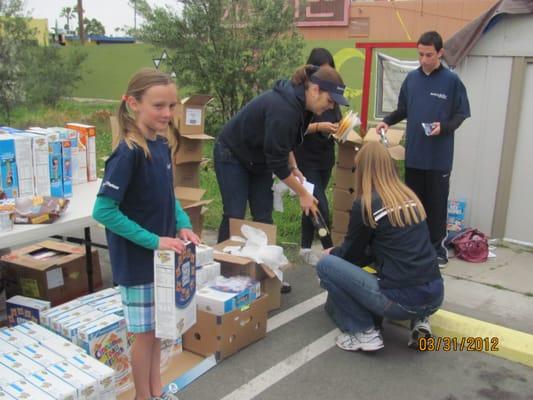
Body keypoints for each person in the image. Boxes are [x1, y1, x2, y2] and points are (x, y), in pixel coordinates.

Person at [92, 68, 200, 400]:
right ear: (133, 103)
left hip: (162, 259)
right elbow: (104, 212)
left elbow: (169, 196)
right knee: (144, 335)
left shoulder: (162, 145)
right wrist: (154, 241)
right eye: (158, 106)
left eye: (171, 106)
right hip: (138, 262)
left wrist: (182, 222)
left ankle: (155, 391)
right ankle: (143, 396)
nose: (167, 114)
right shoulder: (128, 152)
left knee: (158, 332)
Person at [214, 64, 349, 292]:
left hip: (259, 158)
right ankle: (223, 274)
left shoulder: (304, 106)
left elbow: (284, 143)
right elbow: (276, 161)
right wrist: (303, 193)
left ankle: (269, 273)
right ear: (315, 89)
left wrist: (294, 166)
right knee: (234, 214)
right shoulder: (284, 108)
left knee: (263, 215)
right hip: (233, 154)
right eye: (330, 99)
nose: (331, 105)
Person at [317, 141, 444, 352]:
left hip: (401, 301)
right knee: (410, 262)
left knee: (326, 266)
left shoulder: (366, 204)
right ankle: (421, 321)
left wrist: (332, 254)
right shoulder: (409, 198)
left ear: (363, 170)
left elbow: (350, 256)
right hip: (436, 295)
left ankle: (364, 331)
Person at [376, 31, 470, 266]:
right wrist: (387, 120)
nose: (423, 59)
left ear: (440, 53)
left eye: (429, 55)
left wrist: (445, 127)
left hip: (439, 158)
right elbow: (403, 109)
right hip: (415, 155)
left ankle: (437, 249)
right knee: (413, 204)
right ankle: (414, 246)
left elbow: (461, 114)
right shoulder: (412, 80)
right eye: (420, 54)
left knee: (436, 205)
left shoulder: (451, 81)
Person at [294, 48, 342, 266]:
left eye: (330, 70)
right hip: (306, 158)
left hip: (325, 157)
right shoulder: (305, 96)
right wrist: (319, 126)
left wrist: (341, 130)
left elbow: (337, 119)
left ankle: (304, 248)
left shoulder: (333, 96)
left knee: (310, 203)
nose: (326, 77)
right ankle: (329, 250)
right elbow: (296, 129)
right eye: (323, 71)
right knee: (320, 204)